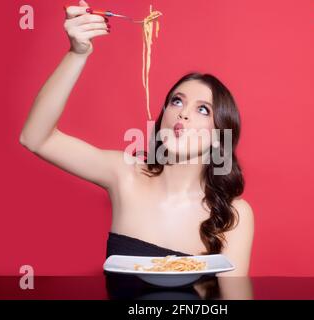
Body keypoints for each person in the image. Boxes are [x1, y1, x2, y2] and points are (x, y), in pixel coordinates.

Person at [19, 0, 254, 277]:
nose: (183, 115)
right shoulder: (124, 174)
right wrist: (77, 53)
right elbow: (35, 138)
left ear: (220, 136)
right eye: (177, 102)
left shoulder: (234, 215)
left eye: (202, 109)